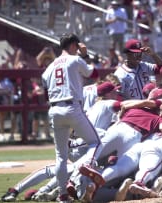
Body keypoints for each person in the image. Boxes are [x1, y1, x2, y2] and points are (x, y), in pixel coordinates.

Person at [41, 33, 103, 203]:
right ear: (74, 45)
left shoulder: (49, 68)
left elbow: (45, 90)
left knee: (61, 155)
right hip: (72, 107)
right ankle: (86, 164)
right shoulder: (75, 59)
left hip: (54, 109)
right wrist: (85, 55)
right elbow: (95, 74)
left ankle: (62, 196)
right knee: (96, 142)